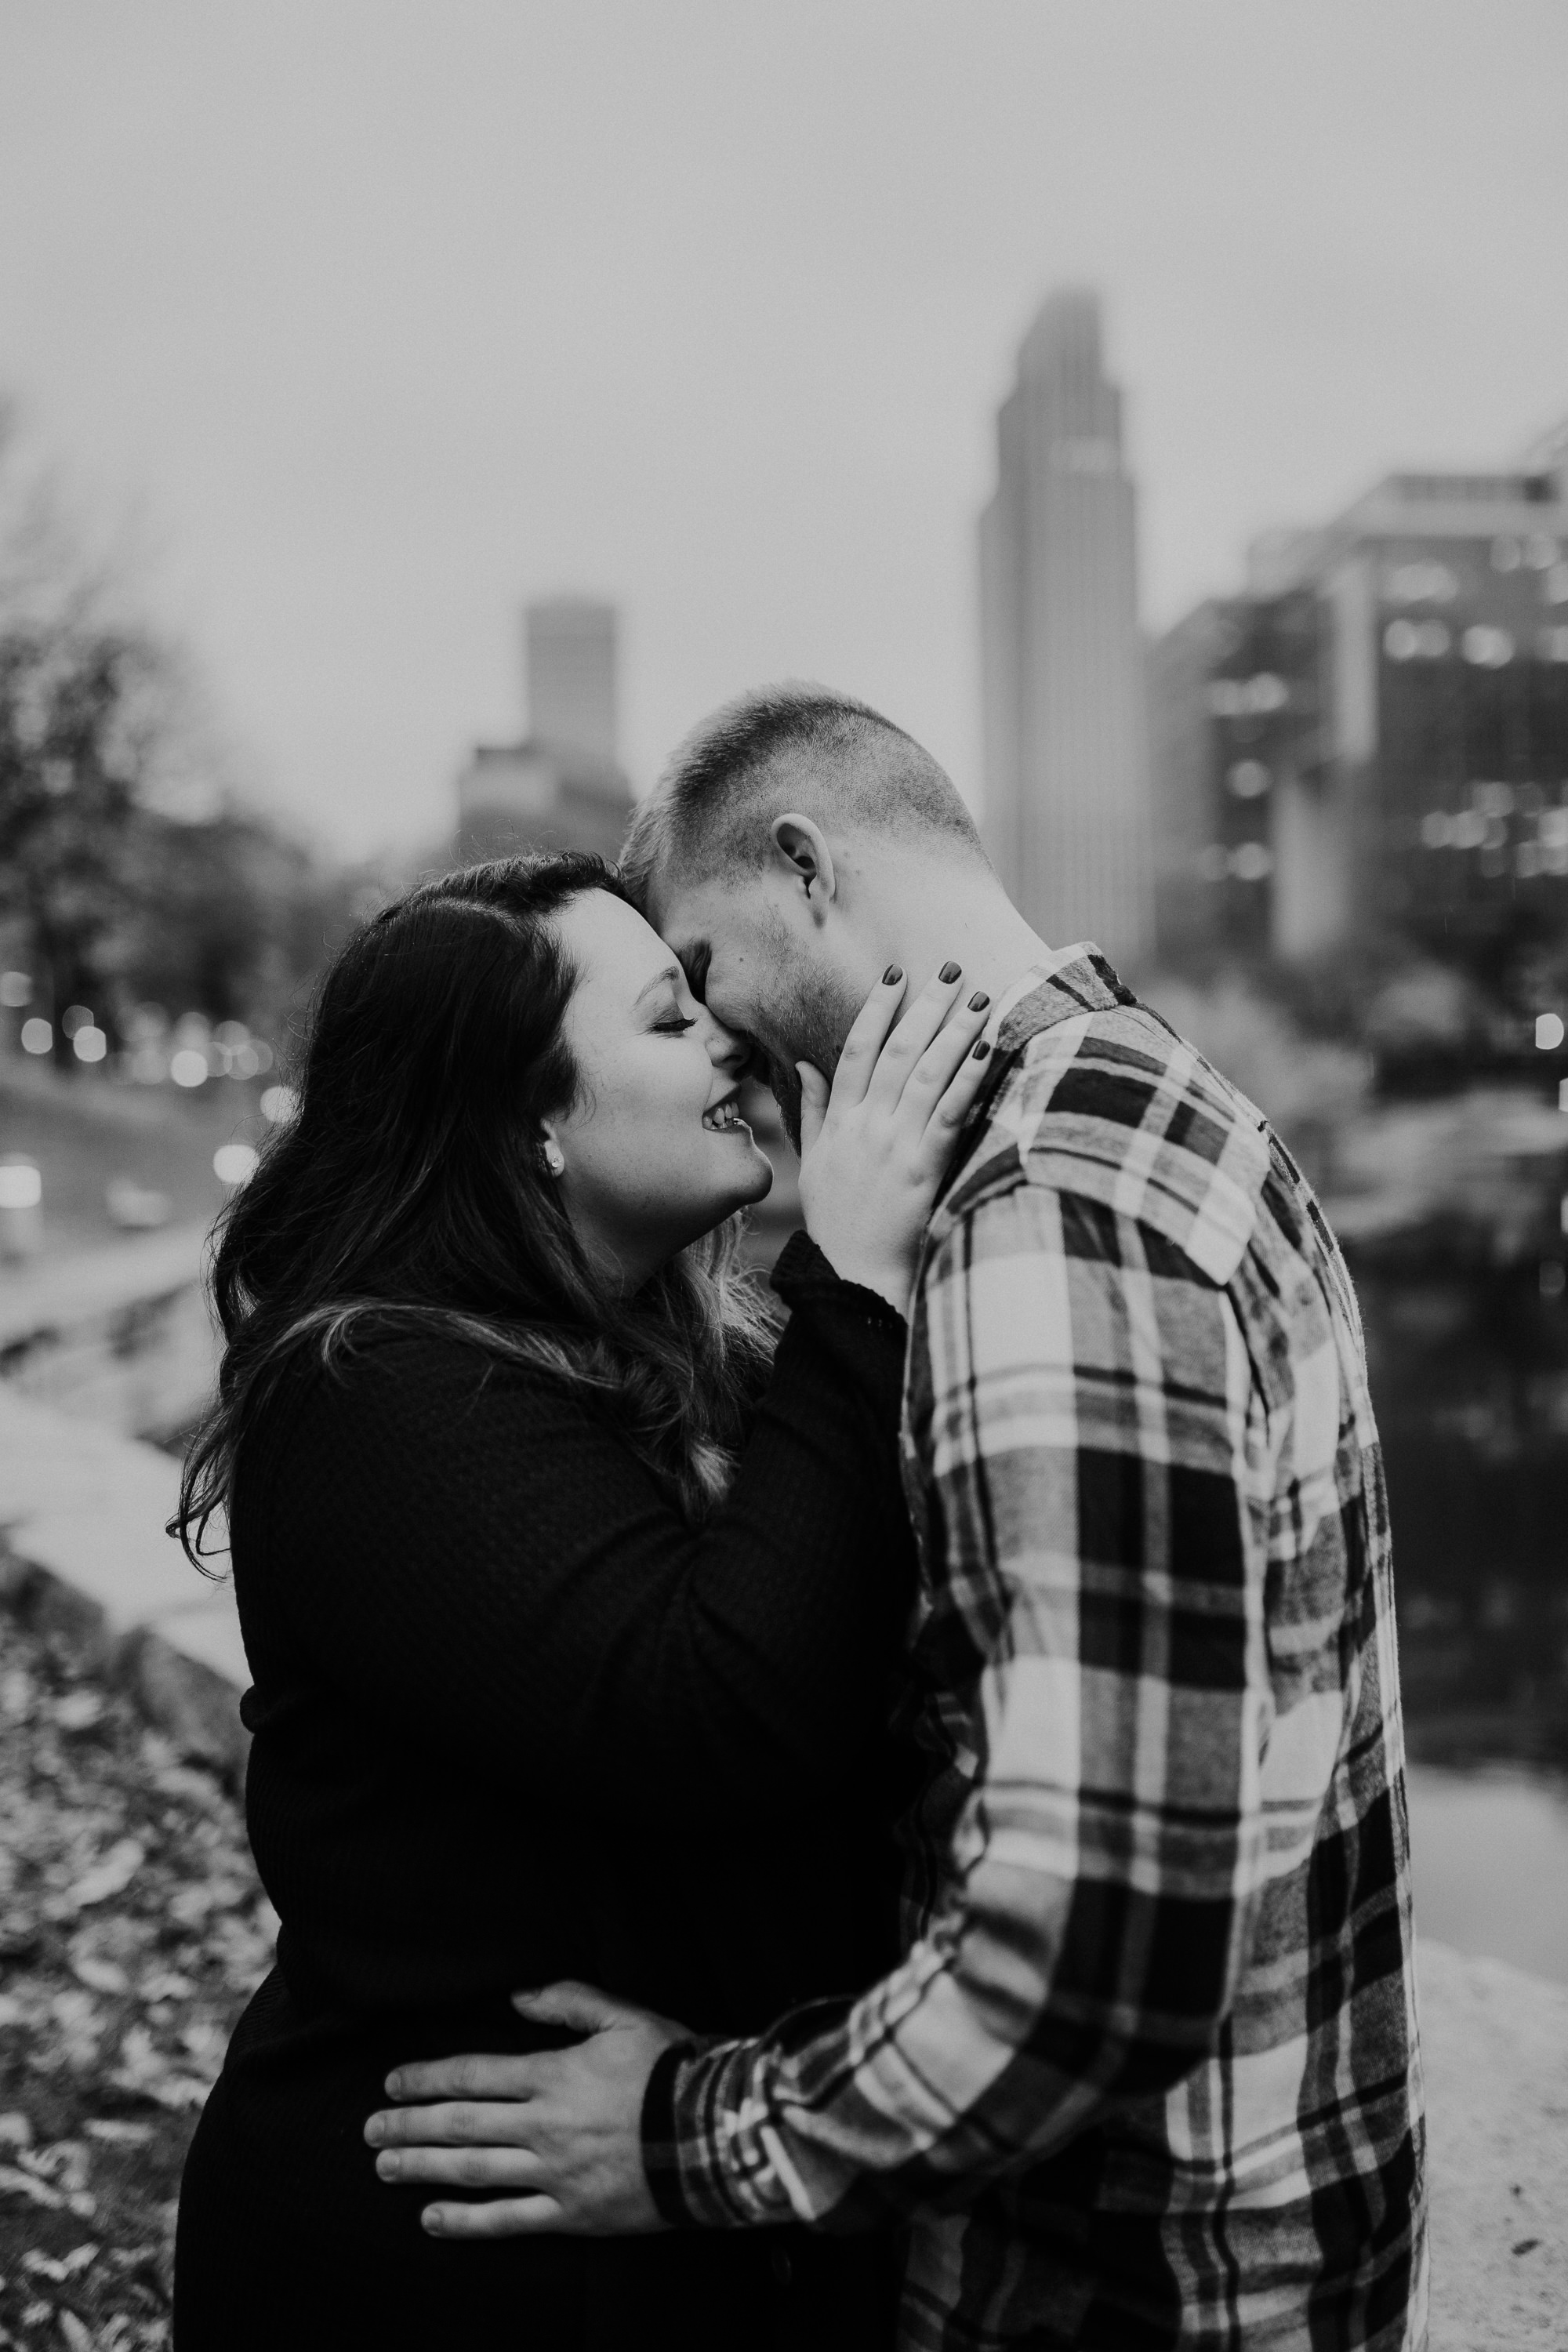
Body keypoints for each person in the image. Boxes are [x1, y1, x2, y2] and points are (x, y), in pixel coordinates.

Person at [368, 687, 1429, 2352]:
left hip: (1124, 2286)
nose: (735, 1049)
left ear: (805, 864)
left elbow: (1090, 1950)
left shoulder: (1050, 1214)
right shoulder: (1163, 1103)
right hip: (1234, 2234)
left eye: (703, 975)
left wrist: (685, 2135)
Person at [170, 848, 997, 2352]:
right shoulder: (372, 1395)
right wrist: (857, 1279)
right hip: (439, 2260)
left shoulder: (702, 1368)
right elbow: (720, 1709)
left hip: (655, 2229)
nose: (732, 1045)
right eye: (673, 1021)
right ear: (528, 1117)